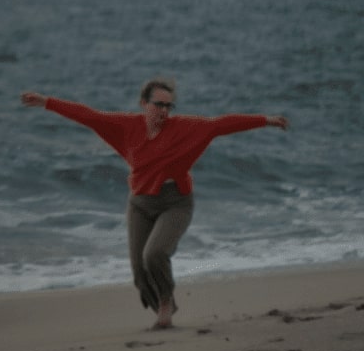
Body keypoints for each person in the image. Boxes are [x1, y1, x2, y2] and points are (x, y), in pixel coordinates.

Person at [21, 79, 289, 329]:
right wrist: (47, 102)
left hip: (176, 203)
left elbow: (220, 124)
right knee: (139, 272)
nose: (164, 110)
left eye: (168, 105)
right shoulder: (127, 127)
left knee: (155, 254)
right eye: (158, 104)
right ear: (143, 103)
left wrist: (265, 120)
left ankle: (165, 302)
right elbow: (88, 116)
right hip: (140, 203)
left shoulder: (184, 128)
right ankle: (165, 302)